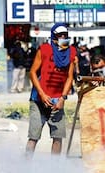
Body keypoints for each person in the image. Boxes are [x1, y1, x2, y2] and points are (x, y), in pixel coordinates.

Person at [26, 23, 77, 157]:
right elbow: (32, 72)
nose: (62, 37)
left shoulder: (71, 52)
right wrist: (42, 94)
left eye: (65, 35)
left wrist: (63, 98)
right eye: (60, 35)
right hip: (38, 99)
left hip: (57, 100)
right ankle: (24, 166)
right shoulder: (44, 49)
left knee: (57, 136)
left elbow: (69, 77)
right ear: (53, 36)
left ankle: (54, 168)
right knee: (34, 136)